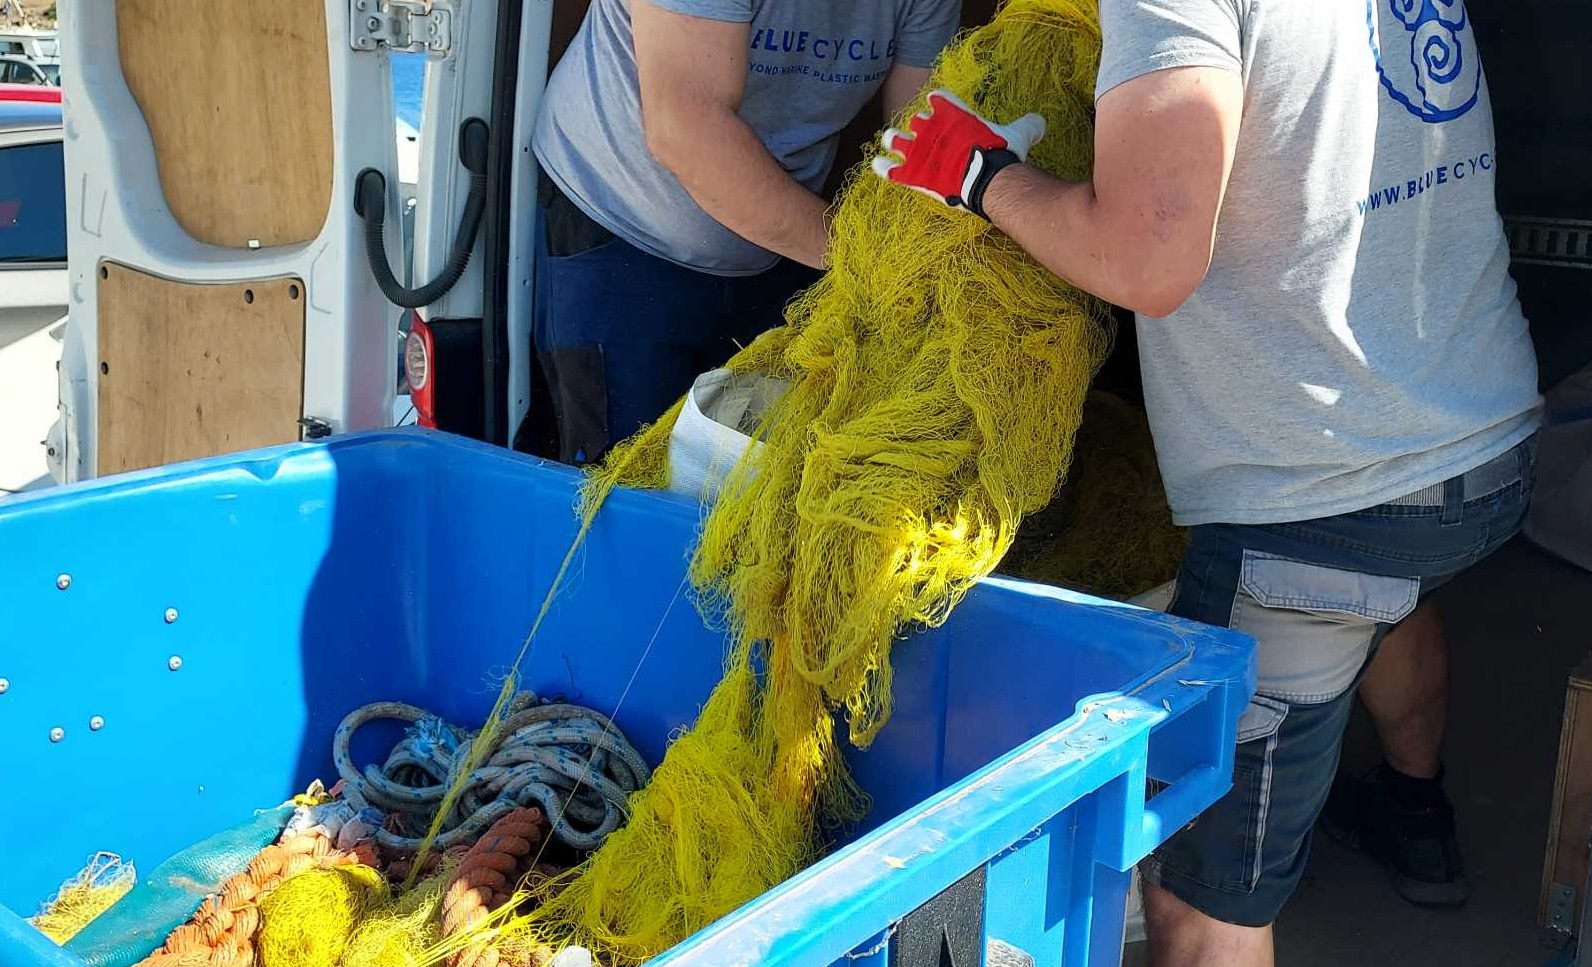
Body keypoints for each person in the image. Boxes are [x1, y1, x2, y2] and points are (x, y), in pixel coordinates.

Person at [873, 1, 1540, 963]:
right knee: (1389, 593)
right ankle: (1414, 816)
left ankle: (1255, 883)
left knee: (1198, 895)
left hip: (1315, 497)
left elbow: (1144, 256)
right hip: (1480, 444)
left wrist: (980, 174)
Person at [530, 0, 962, 465]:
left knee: (754, 468)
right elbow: (685, 129)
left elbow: (921, 138)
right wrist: (860, 259)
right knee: (624, 470)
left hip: (782, 245)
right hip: (622, 222)